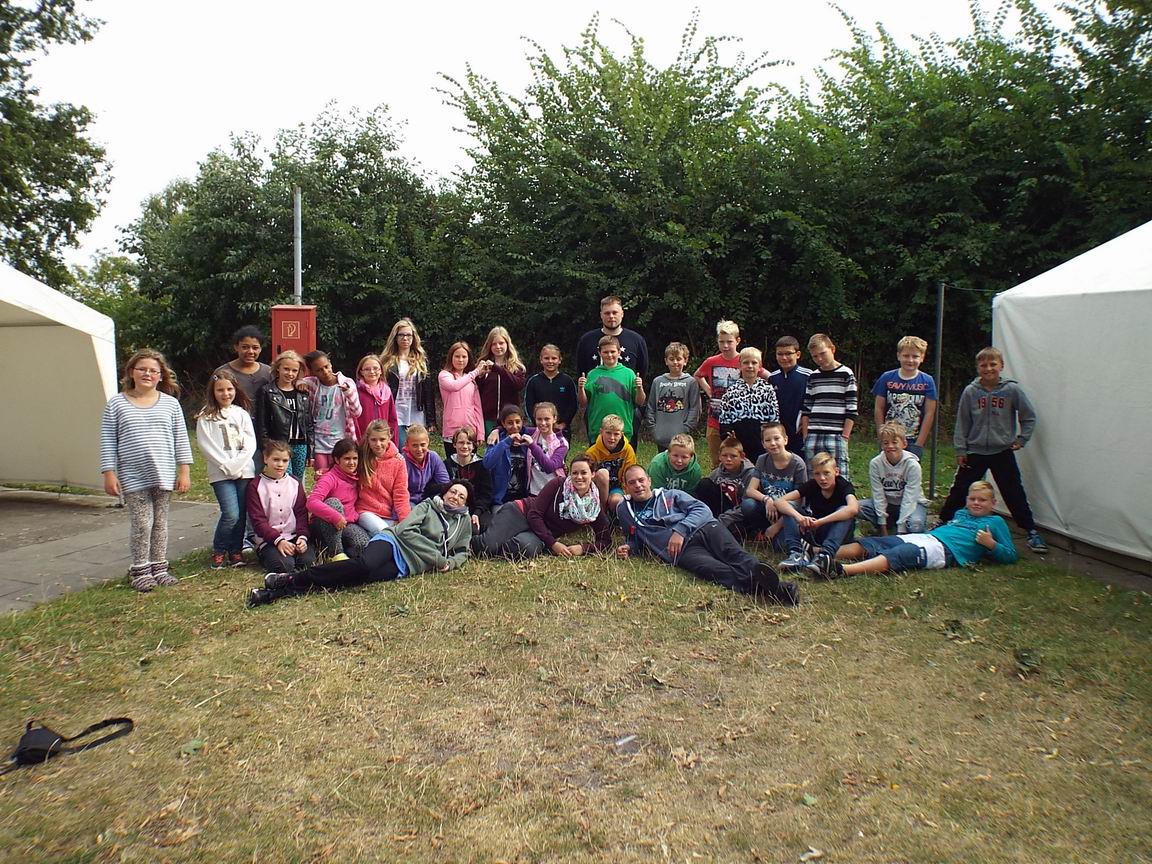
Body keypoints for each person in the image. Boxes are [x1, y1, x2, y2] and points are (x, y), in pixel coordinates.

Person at [247, 482, 474, 607]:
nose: (454, 497)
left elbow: (464, 550)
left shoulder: (463, 522)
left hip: (408, 565)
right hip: (393, 542)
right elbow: (406, 531)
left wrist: (451, 563)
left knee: (354, 578)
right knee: (363, 565)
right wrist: (437, 559)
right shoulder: (428, 506)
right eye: (452, 492)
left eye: (461, 496)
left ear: (465, 503)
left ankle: (281, 590)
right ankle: (292, 578)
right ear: (445, 493)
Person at [615, 465, 798, 606]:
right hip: (683, 549)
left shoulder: (671, 495)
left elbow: (702, 509)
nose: (638, 485)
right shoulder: (624, 509)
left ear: (649, 480)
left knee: (734, 555)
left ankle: (772, 583)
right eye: (632, 482)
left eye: (641, 480)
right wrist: (630, 548)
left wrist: (680, 530)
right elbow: (635, 536)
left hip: (706, 528)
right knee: (713, 569)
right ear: (626, 486)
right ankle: (776, 590)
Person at [938, 347, 1048, 553]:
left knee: (1013, 491)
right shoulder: (971, 392)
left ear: (1001, 366)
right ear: (977, 367)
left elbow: (1029, 416)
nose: (988, 369)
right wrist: (961, 449)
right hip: (975, 451)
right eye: (983, 365)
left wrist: (1022, 439)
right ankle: (943, 520)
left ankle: (1031, 531)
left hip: (1002, 451)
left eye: (993, 364)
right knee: (960, 489)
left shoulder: (1011, 390)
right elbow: (962, 422)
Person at [100, 348, 192, 592]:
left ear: (161, 375)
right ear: (131, 372)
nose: (147, 374)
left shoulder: (171, 405)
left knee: (160, 523)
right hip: (133, 475)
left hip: (163, 473)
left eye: (153, 370)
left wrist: (184, 472)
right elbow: (108, 440)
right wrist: (109, 472)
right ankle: (140, 569)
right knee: (142, 523)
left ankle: (159, 567)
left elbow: (181, 440)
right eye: (142, 369)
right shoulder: (116, 404)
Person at [831, 481, 1018, 577]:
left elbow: (1011, 555)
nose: (976, 503)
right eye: (972, 499)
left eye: (982, 500)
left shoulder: (995, 522)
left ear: (993, 503)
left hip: (946, 551)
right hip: (929, 537)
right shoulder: (961, 513)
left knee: (901, 553)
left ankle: (843, 570)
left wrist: (991, 544)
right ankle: (822, 553)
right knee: (878, 542)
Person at [473, 457, 611, 559]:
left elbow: (605, 541)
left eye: (584, 473)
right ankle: (472, 534)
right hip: (520, 513)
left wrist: (583, 548)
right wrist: (553, 544)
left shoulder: (593, 507)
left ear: (593, 474)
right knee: (486, 546)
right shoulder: (558, 484)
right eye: (575, 473)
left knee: (526, 549)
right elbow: (534, 514)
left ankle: (494, 533)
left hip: (539, 533)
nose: (579, 477)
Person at [195, 370, 257, 569]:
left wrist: (238, 465)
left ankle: (236, 551)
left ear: (235, 389)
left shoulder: (241, 413)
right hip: (220, 473)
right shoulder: (206, 416)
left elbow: (250, 443)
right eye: (220, 390)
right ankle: (219, 550)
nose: (225, 393)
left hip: (244, 471)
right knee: (231, 513)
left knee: (242, 514)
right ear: (212, 392)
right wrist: (228, 467)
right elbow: (206, 446)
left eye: (229, 389)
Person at [775, 452, 859, 579]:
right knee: (788, 510)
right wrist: (800, 518)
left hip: (837, 533)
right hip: (816, 530)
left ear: (836, 472)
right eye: (817, 474)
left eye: (826, 473)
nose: (822, 478)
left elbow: (853, 509)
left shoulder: (844, 485)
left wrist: (821, 522)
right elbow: (779, 501)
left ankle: (824, 556)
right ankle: (796, 554)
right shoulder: (813, 484)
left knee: (845, 511)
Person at [246, 439, 315, 574]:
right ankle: (266, 556)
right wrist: (278, 541)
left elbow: (301, 514)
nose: (280, 465)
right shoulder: (255, 486)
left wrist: (302, 537)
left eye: (285, 461)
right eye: (276, 460)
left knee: (307, 562)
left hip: (293, 535)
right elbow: (258, 521)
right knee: (284, 566)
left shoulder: (295, 483)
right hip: (269, 539)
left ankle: (296, 552)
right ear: (266, 458)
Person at [738, 422, 808, 546]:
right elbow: (750, 490)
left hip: (789, 511)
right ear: (763, 444)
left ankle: (775, 532)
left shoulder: (798, 464)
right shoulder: (762, 459)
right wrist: (767, 500)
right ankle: (761, 530)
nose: (773, 443)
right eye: (768, 440)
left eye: (777, 438)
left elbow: (798, 500)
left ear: (785, 440)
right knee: (748, 504)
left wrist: (776, 526)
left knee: (779, 545)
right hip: (769, 508)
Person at [799, 333, 857, 476]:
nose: (819, 359)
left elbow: (851, 409)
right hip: (814, 432)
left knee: (839, 474)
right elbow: (806, 408)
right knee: (813, 475)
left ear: (832, 349)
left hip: (836, 433)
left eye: (823, 354)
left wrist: (845, 437)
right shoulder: (813, 376)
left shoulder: (846, 374)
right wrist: (806, 436)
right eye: (815, 356)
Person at [871, 335, 938, 459]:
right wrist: (881, 437)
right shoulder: (887, 378)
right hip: (890, 439)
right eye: (906, 356)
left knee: (910, 469)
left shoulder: (927, 381)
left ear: (922, 357)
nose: (910, 360)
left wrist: (919, 443)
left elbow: (930, 413)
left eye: (915, 356)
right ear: (898, 356)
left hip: (913, 439)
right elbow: (879, 408)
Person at [254, 350, 312, 484]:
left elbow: (308, 423)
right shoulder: (267, 391)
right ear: (278, 368)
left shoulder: (302, 393)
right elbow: (262, 423)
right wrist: (266, 447)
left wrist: (311, 450)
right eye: (286, 369)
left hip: (300, 444)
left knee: (297, 482)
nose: (290, 373)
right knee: (285, 479)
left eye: (294, 370)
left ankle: (297, 499)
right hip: (279, 444)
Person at [306, 438, 370, 561]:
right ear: (337, 460)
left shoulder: (356, 477)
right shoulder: (329, 478)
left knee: (362, 545)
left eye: (355, 458)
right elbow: (311, 502)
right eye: (347, 459)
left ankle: (340, 552)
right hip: (324, 525)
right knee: (333, 503)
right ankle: (336, 553)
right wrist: (335, 517)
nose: (351, 462)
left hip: (347, 524)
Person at [694, 320, 746, 469]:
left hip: (738, 417)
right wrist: (708, 390)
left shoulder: (744, 360)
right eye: (721, 342)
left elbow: (763, 374)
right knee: (717, 460)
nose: (725, 346)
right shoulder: (712, 361)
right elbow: (698, 375)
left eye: (729, 342)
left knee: (739, 458)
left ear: (737, 341)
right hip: (715, 418)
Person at [860, 423, 929, 536]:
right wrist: (883, 526)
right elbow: (878, 495)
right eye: (886, 443)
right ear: (881, 445)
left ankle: (920, 535)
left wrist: (901, 530)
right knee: (856, 507)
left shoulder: (912, 465)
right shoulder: (876, 464)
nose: (890, 446)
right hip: (888, 503)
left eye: (895, 442)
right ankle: (888, 525)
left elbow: (909, 498)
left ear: (904, 444)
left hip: (913, 504)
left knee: (915, 525)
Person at [300, 350, 362, 474]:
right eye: (319, 370)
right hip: (319, 441)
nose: (325, 372)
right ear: (312, 372)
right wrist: (299, 383)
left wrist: (348, 393)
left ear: (330, 363)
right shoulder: (312, 383)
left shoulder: (347, 383)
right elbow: (296, 380)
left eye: (326, 366)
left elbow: (357, 412)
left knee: (340, 476)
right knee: (321, 476)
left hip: (340, 439)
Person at [578, 334, 646, 441]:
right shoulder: (593, 374)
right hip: (598, 429)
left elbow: (640, 402)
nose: (609, 355)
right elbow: (583, 403)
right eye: (605, 352)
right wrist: (581, 388)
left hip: (623, 430)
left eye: (612, 351)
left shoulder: (629, 374)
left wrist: (639, 388)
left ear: (619, 352)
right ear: (600, 353)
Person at [717, 346, 779, 462]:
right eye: (746, 363)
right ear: (740, 365)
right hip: (739, 443)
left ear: (760, 366)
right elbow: (724, 419)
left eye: (754, 363)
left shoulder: (768, 390)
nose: (750, 366)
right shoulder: (730, 391)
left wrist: (771, 439)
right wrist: (728, 436)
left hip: (762, 442)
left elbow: (774, 419)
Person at [381, 318, 437, 446]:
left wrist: (431, 420)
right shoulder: (387, 361)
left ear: (413, 337)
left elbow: (428, 391)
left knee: (417, 450)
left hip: (417, 413)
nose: (405, 338)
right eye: (401, 335)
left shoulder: (421, 360)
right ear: (395, 337)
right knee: (401, 448)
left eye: (408, 335)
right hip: (396, 412)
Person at [431, 426, 493, 532]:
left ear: (473, 446)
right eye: (461, 443)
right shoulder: (446, 464)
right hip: (451, 507)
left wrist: (477, 513)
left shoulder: (481, 465)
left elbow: (486, 495)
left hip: (475, 509)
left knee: (482, 528)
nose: (465, 446)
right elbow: (434, 487)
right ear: (454, 444)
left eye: (468, 443)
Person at [575, 294, 649, 381]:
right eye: (607, 313)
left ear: (622, 314)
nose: (611, 316)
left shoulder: (636, 340)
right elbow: (581, 372)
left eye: (614, 312)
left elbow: (642, 372)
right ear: (601, 315)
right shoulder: (586, 340)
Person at [355, 420, 411, 535]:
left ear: (389, 437)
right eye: (373, 440)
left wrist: (405, 522)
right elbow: (342, 469)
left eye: (382, 439)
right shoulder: (361, 457)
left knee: (402, 533)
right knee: (385, 533)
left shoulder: (398, 462)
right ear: (368, 439)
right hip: (365, 511)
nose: (378, 444)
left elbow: (401, 494)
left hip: (387, 514)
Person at [645, 341, 701, 452]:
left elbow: (695, 408)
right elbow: (651, 407)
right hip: (661, 436)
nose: (675, 362)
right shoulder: (658, 381)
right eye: (671, 359)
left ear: (685, 361)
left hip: (681, 439)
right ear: (666, 361)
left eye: (679, 359)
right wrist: (653, 429)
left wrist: (686, 428)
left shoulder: (691, 382)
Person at [438, 341, 488, 458]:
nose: (460, 360)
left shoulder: (471, 379)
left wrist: (480, 432)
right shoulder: (444, 375)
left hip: (470, 430)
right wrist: (476, 371)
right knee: (453, 465)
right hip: (452, 430)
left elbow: (477, 407)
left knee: (470, 465)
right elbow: (455, 386)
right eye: (457, 356)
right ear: (451, 357)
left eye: (464, 356)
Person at [477, 326, 528, 439]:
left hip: (510, 418)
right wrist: (479, 376)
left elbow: (518, 385)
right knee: (492, 447)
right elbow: (477, 390)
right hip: (489, 418)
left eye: (501, 343)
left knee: (510, 446)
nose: (498, 347)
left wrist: (497, 369)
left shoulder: (517, 367)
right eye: (494, 344)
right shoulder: (483, 365)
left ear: (507, 344)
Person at [767, 336, 812, 460]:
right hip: (779, 436)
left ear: (798, 354)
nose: (784, 358)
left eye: (788, 353)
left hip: (801, 435)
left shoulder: (808, 376)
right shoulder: (772, 378)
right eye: (780, 354)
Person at [692, 433, 755, 521]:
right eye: (724, 456)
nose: (728, 459)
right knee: (704, 484)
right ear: (719, 456)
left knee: (749, 505)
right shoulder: (717, 473)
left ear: (742, 457)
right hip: (721, 511)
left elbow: (748, 503)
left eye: (733, 456)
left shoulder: (750, 474)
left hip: (741, 513)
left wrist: (724, 519)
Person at [524, 344, 578, 442]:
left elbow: (573, 405)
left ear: (559, 360)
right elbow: (528, 406)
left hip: (561, 430)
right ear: (541, 360)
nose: (550, 361)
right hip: (540, 429)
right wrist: (538, 423)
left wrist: (564, 423)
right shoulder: (534, 381)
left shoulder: (567, 381)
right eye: (546, 358)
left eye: (554, 358)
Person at [482, 405, 534, 506]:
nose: (514, 426)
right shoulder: (497, 439)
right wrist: (507, 441)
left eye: (517, 422)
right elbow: (487, 463)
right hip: (501, 499)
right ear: (503, 423)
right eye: (510, 423)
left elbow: (544, 429)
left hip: (523, 498)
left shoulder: (529, 438)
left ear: (522, 421)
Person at [585, 414, 638, 511]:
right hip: (597, 489)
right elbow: (587, 477)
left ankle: (615, 515)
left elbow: (630, 475)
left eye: (616, 434)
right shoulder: (592, 452)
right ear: (601, 432)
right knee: (602, 474)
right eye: (608, 433)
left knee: (616, 500)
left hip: (617, 488)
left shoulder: (628, 451)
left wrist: (628, 494)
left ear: (621, 434)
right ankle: (602, 511)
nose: (612, 438)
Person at [214, 325, 272, 413]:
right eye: (245, 347)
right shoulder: (223, 372)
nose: (250, 352)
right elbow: (212, 401)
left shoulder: (268, 372)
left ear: (260, 349)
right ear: (236, 347)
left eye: (255, 348)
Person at [525, 401, 569, 495]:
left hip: (553, 492)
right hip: (533, 491)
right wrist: (496, 430)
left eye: (547, 419)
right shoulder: (533, 433)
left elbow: (550, 467)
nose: (543, 423)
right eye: (539, 419)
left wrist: (532, 445)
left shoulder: (561, 443)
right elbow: (514, 427)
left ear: (554, 419)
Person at [353, 353, 399, 443]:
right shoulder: (356, 391)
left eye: (375, 368)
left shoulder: (386, 392)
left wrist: (393, 441)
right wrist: (358, 441)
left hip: (383, 441)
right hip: (363, 440)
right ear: (361, 372)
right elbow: (354, 419)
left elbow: (392, 418)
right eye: (367, 369)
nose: (372, 371)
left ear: (381, 370)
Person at [401, 423, 449, 505]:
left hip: (427, 498)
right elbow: (399, 491)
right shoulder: (402, 461)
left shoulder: (433, 457)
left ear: (428, 442)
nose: (419, 449)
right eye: (414, 445)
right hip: (408, 499)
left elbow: (445, 483)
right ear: (407, 445)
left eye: (422, 445)